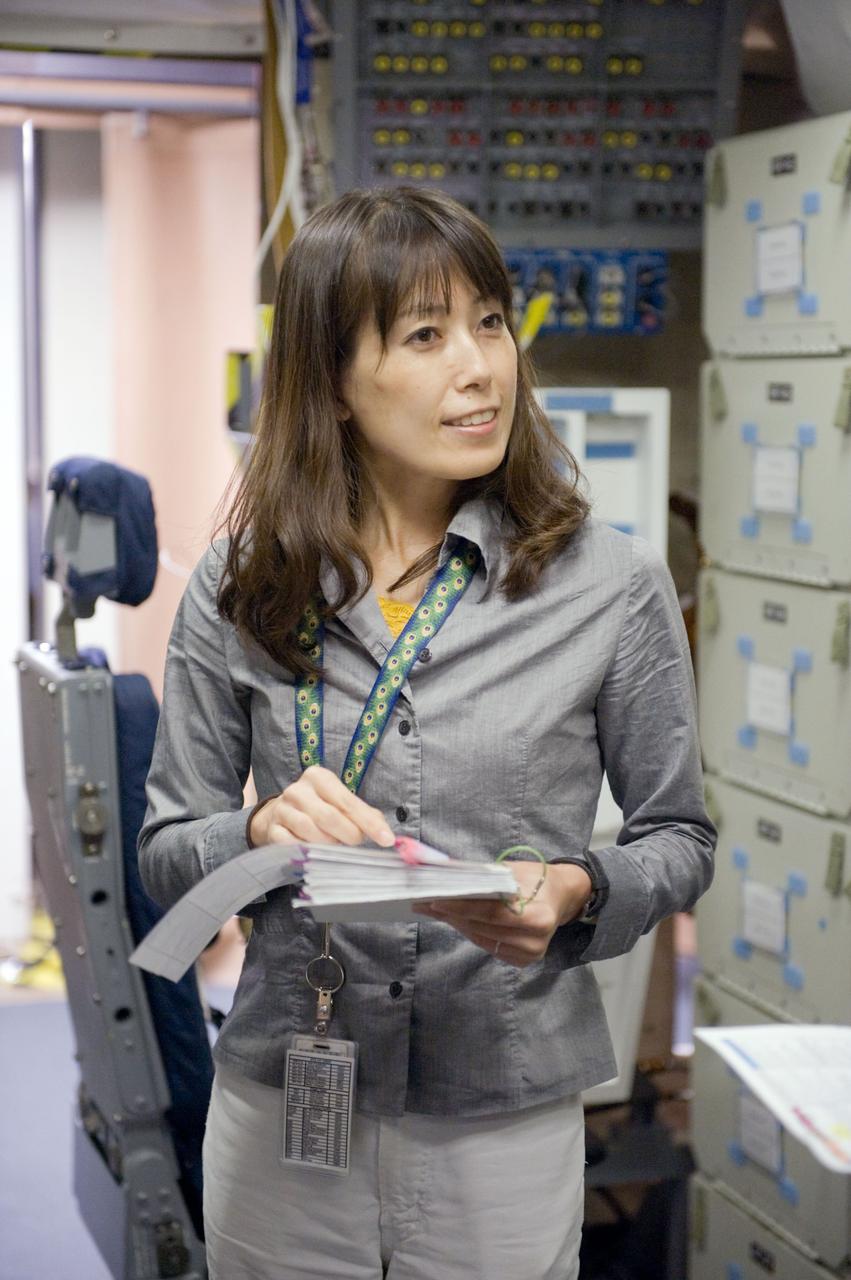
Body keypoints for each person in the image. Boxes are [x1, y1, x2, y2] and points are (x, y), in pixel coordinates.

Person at [138, 185, 715, 1280]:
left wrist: (579, 892)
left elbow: (679, 837)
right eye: (424, 333)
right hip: (286, 1102)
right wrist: (258, 825)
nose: (480, 366)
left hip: (500, 1111)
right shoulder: (241, 581)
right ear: (336, 383)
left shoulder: (611, 584)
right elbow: (167, 849)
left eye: (490, 320)